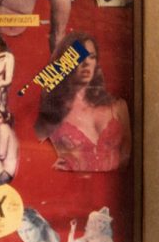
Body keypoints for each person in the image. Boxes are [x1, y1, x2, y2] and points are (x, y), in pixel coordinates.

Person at [34, 32, 131, 172]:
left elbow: (130, 157)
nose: (86, 63)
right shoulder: (53, 111)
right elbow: (32, 149)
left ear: (96, 63)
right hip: (72, 184)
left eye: (92, 57)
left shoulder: (117, 106)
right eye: (79, 57)